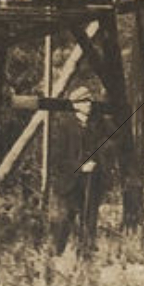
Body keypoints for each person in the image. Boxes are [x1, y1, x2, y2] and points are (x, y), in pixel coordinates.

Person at [49, 87, 104, 257]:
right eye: (83, 101)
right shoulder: (64, 126)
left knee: (89, 220)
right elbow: (57, 158)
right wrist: (80, 166)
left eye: (89, 101)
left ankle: (85, 258)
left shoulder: (95, 125)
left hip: (90, 182)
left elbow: (104, 148)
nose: (88, 105)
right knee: (64, 220)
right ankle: (54, 257)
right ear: (75, 105)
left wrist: (98, 164)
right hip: (68, 183)